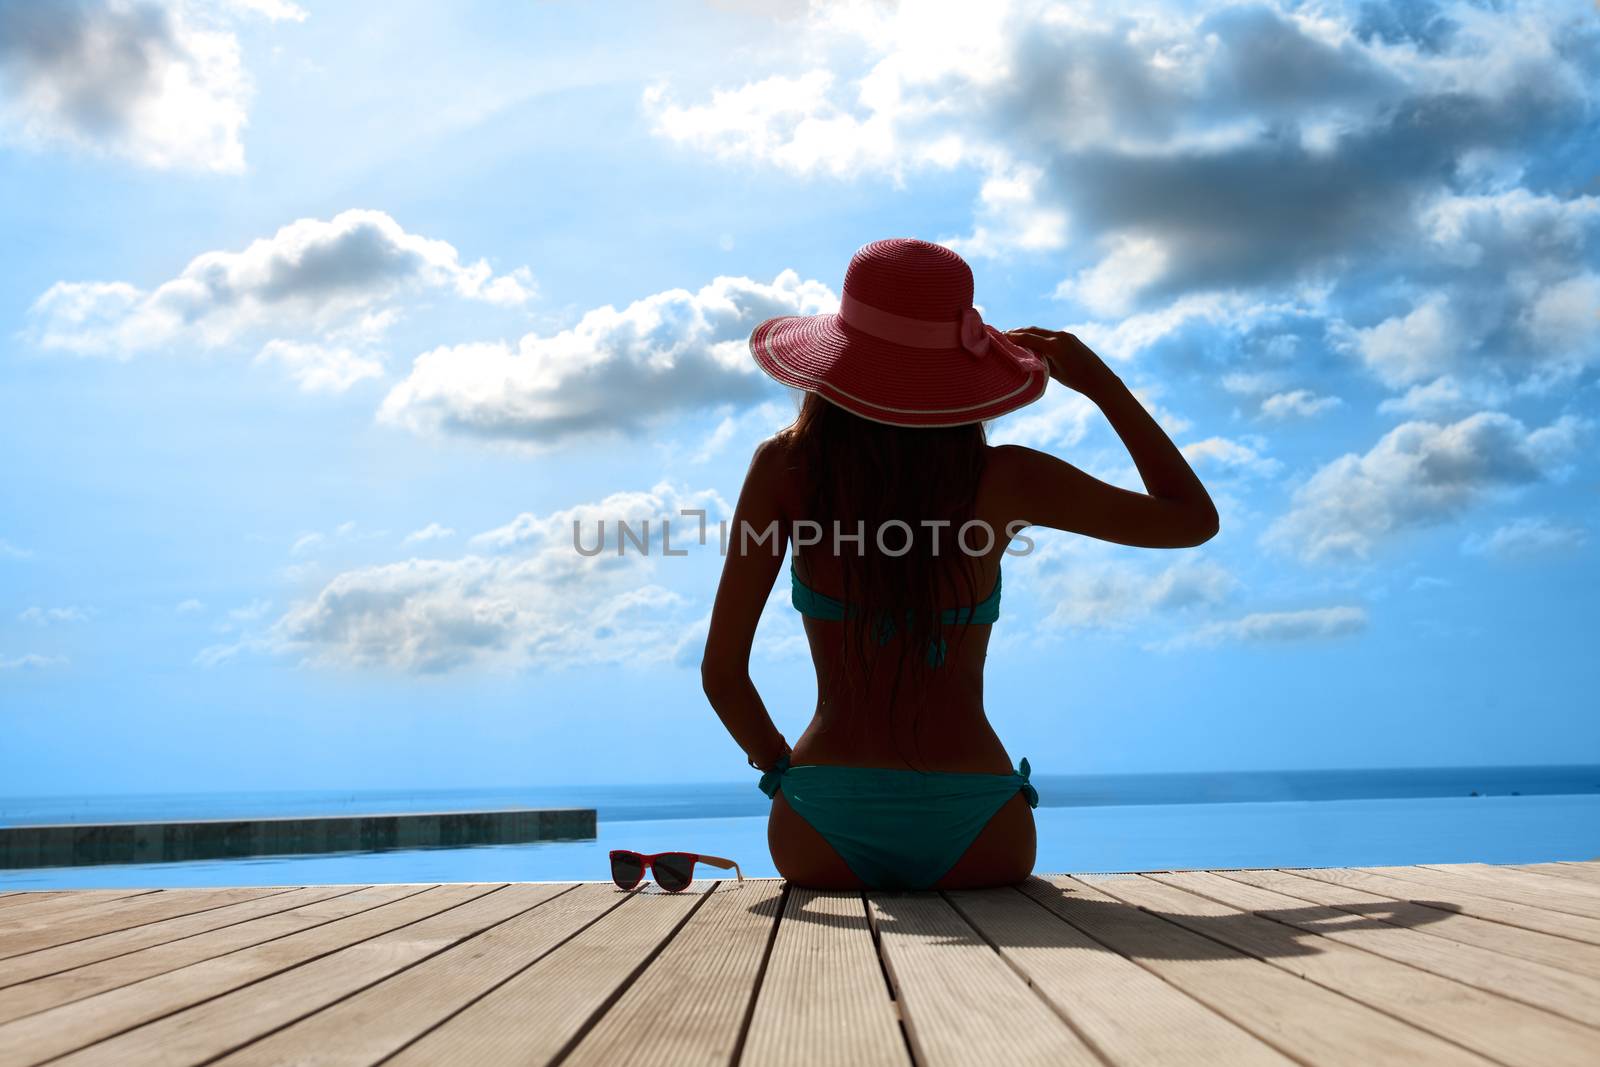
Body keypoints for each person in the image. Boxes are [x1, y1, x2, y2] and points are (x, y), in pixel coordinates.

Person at [700, 238, 1218, 890]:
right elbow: (1191, 518)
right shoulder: (1008, 480)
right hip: (980, 826)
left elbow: (722, 672)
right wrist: (1102, 386)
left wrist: (783, 772)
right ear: (957, 374)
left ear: (838, 357)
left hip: (819, 824)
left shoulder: (787, 468)